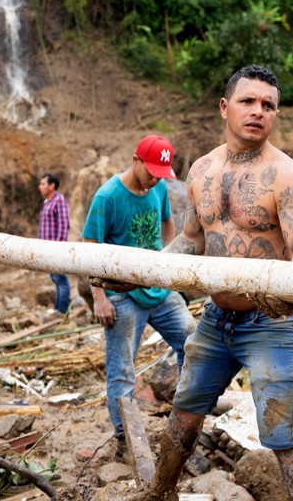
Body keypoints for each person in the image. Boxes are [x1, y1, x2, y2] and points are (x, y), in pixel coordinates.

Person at [127, 65, 293, 501]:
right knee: (184, 413)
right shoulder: (201, 170)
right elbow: (191, 240)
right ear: (224, 107)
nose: (258, 112)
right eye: (248, 101)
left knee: (283, 436)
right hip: (217, 320)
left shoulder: (288, 177)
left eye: (268, 105)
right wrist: (142, 270)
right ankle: (159, 492)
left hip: (273, 323)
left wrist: (289, 298)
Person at [82, 134, 195, 446]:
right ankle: (125, 439)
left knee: (194, 342)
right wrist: (99, 298)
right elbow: (90, 246)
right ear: (135, 161)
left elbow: (168, 223)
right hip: (121, 294)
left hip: (158, 288)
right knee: (122, 370)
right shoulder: (108, 197)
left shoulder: (157, 187)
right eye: (150, 173)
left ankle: (189, 419)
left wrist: (168, 265)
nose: (153, 181)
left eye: (160, 176)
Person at [38, 172, 72, 314]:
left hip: (55, 249)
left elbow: (64, 225)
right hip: (47, 249)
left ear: (52, 186)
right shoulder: (47, 202)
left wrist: (59, 247)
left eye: (43, 184)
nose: (40, 187)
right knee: (56, 278)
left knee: (61, 279)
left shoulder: (59, 200)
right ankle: (58, 311)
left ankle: (61, 312)